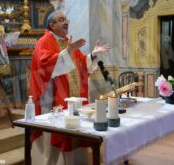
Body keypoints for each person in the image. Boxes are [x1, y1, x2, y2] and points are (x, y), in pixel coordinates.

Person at [29, 11, 112, 165]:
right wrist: (67, 52)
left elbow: (80, 63)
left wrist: (92, 55)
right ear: (52, 25)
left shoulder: (67, 42)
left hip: (71, 98)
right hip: (52, 97)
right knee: (55, 131)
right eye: (61, 20)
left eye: (66, 19)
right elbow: (45, 65)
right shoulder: (44, 41)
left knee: (74, 130)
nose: (65, 22)